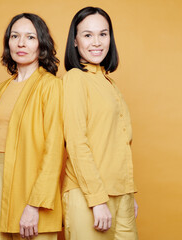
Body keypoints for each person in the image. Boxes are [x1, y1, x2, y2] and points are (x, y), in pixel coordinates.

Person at [0, 13, 64, 240]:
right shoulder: (2, 89)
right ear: (8, 42)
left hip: (32, 184)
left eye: (30, 37)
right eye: (15, 36)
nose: (21, 43)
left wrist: (35, 205)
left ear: (41, 44)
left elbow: (54, 151)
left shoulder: (51, 86)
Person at [62, 6, 138, 240]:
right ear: (75, 41)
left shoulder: (110, 84)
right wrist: (97, 200)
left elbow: (118, 143)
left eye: (103, 34)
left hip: (121, 195)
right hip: (89, 197)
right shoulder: (75, 79)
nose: (97, 42)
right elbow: (76, 142)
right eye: (87, 35)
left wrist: (128, 194)